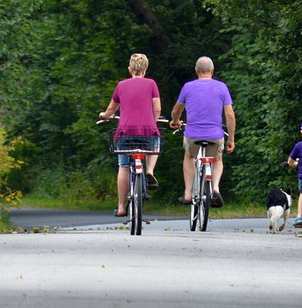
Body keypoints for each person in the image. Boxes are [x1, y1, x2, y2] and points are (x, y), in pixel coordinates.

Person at [99, 53, 162, 217]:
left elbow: (111, 110)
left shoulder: (121, 85)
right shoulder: (151, 84)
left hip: (125, 132)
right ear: (145, 69)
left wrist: (104, 116)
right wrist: (152, 122)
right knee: (156, 144)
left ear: (130, 69)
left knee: (124, 167)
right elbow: (157, 109)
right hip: (147, 132)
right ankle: (149, 170)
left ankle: (121, 207)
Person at [168, 56, 235, 207]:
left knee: (189, 155)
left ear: (196, 71)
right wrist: (231, 139)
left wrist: (175, 121)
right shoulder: (222, 87)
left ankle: (187, 193)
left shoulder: (187, 87)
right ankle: (216, 189)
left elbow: (176, 110)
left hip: (192, 135)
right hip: (215, 136)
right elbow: (230, 115)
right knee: (217, 158)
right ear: (212, 70)